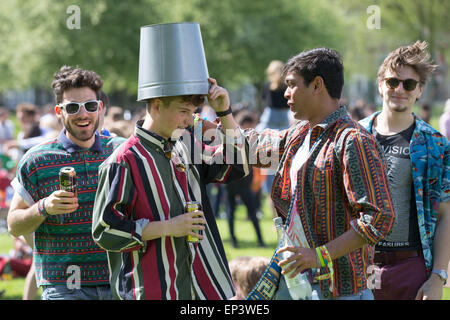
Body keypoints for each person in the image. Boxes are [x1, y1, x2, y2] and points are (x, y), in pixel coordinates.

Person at [244, 48, 395, 300]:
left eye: (292, 85)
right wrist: (221, 115)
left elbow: (380, 217)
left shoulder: (352, 140)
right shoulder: (300, 133)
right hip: (299, 284)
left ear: (317, 85)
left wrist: (320, 255)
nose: (285, 93)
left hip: (342, 291)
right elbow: (255, 146)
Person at [92, 78, 250, 300]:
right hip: (151, 292)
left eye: (193, 111)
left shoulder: (186, 143)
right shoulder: (122, 161)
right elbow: (105, 231)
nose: (190, 120)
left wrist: (224, 111)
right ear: (156, 105)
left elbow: (238, 164)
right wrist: (168, 227)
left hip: (204, 290)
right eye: (184, 111)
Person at [7, 65, 125, 300]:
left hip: (120, 281)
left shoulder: (122, 152)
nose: (83, 114)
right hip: (64, 286)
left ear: (100, 108)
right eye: (72, 108)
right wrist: (44, 207)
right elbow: (13, 224)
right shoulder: (37, 160)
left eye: (90, 106)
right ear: (59, 111)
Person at [360, 41, 450, 300]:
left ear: (419, 90)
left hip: (411, 265)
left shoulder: (435, 145)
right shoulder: (354, 136)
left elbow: (446, 216)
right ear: (381, 86)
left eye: (408, 84)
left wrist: (438, 276)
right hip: (361, 263)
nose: (399, 89)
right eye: (392, 82)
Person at [225, 110, 265, 248]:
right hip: (233, 181)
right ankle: (233, 240)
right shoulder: (235, 137)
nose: (253, 128)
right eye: (251, 125)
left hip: (244, 182)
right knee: (231, 211)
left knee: (252, 212)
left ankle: (260, 240)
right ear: (245, 124)